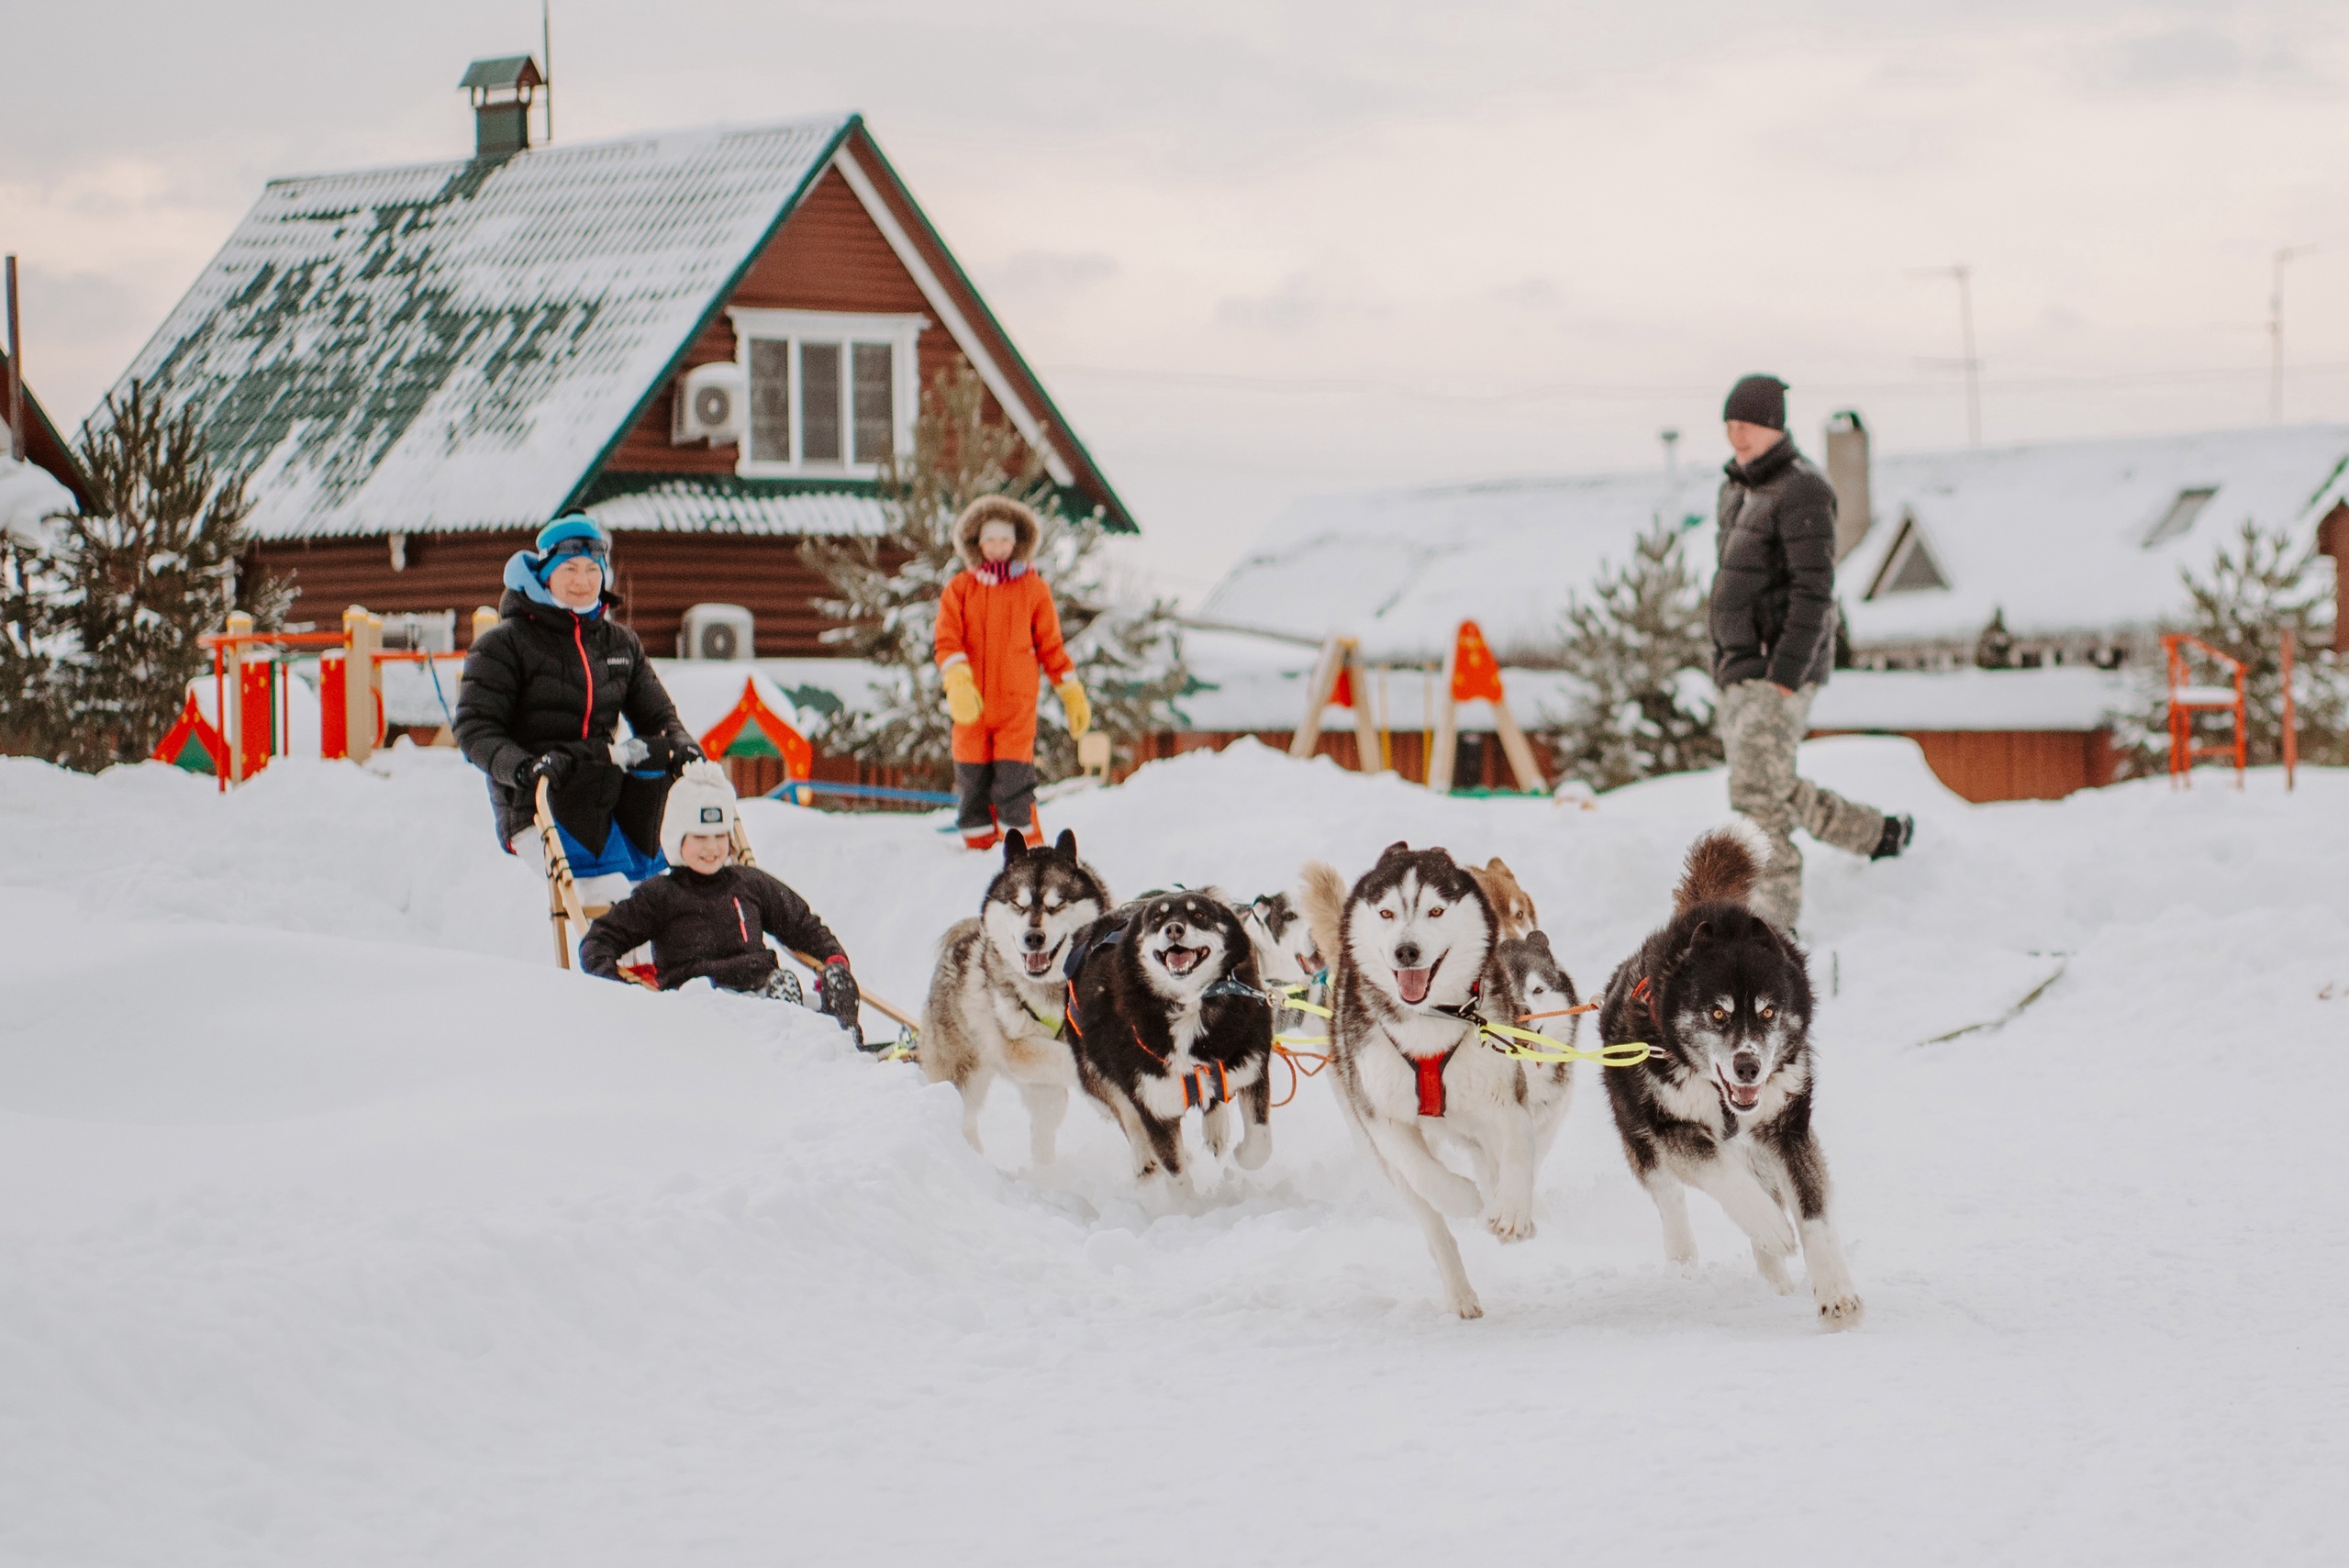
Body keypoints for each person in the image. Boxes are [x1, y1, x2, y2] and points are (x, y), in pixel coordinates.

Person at [1709, 373, 1913, 930]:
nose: (1736, 435)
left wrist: (1785, 674)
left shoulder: (1803, 490)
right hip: (1736, 665)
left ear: (1774, 425)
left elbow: (1815, 591)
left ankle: (1772, 925)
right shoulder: (1736, 489)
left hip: (1776, 669)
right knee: (1771, 786)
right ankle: (1877, 834)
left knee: (1756, 795)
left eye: (1747, 425)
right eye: (1730, 425)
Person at [454, 515, 700, 905]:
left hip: (604, 797)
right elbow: (475, 728)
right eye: (569, 569)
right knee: (610, 898)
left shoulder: (620, 644)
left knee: (666, 895)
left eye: (592, 569)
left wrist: (682, 744)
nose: (582, 581)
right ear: (544, 574)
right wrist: (523, 768)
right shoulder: (504, 645)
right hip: (537, 803)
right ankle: (616, 947)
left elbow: (658, 718)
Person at [578, 762, 863, 1042]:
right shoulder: (660, 895)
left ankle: (842, 1042)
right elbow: (600, 940)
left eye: (720, 835)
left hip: (761, 990)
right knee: (772, 1012)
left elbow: (800, 922)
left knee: (798, 987)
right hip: (700, 1005)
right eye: (700, 837)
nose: (712, 848)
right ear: (677, 838)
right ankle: (793, 1041)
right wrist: (622, 985)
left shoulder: (748, 882)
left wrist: (833, 959)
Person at [933, 496, 1091, 851]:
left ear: (1018, 542)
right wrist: (957, 680)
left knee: (1014, 783)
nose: (998, 546)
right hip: (971, 706)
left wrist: (1070, 691)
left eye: (1005, 539)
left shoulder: (1034, 590)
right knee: (972, 784)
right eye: (990, 539)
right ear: (977, 543)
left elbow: (1051, 647)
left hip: (1015, 708)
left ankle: (1025, 851)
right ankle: (976, 852)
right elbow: (946, 639)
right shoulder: (960, 588)